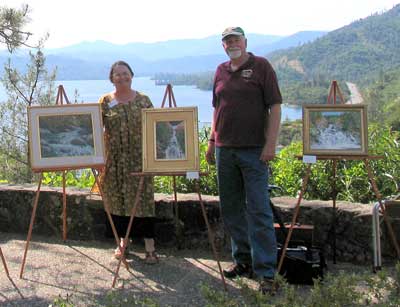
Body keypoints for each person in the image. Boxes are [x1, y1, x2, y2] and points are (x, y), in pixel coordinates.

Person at [206, 27, 282, 294]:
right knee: (231, 209)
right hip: (224, 150)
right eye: (227, 40)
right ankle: (243, 261)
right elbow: (217, 109)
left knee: (259, 210)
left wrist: (270, 144)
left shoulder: (261, 66)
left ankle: (266, 273)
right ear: (223, 46)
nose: (231, 43)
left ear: (245, 41)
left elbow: (275, 107)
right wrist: (212, 141)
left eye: (235, 39)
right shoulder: (220, 70)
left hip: (254, 150)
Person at [99, 60, 158, 264]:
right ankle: (123, 243)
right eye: (117, 74)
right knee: (119, 202)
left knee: (143, 202)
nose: (122, 77)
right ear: (112, 78)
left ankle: (150, 247)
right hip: (114, 162)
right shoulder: (105, 102)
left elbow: (156, 126)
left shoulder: (144, 100)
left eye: (125, 73)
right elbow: (96, 131)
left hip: (140, 161)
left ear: (131, 75)